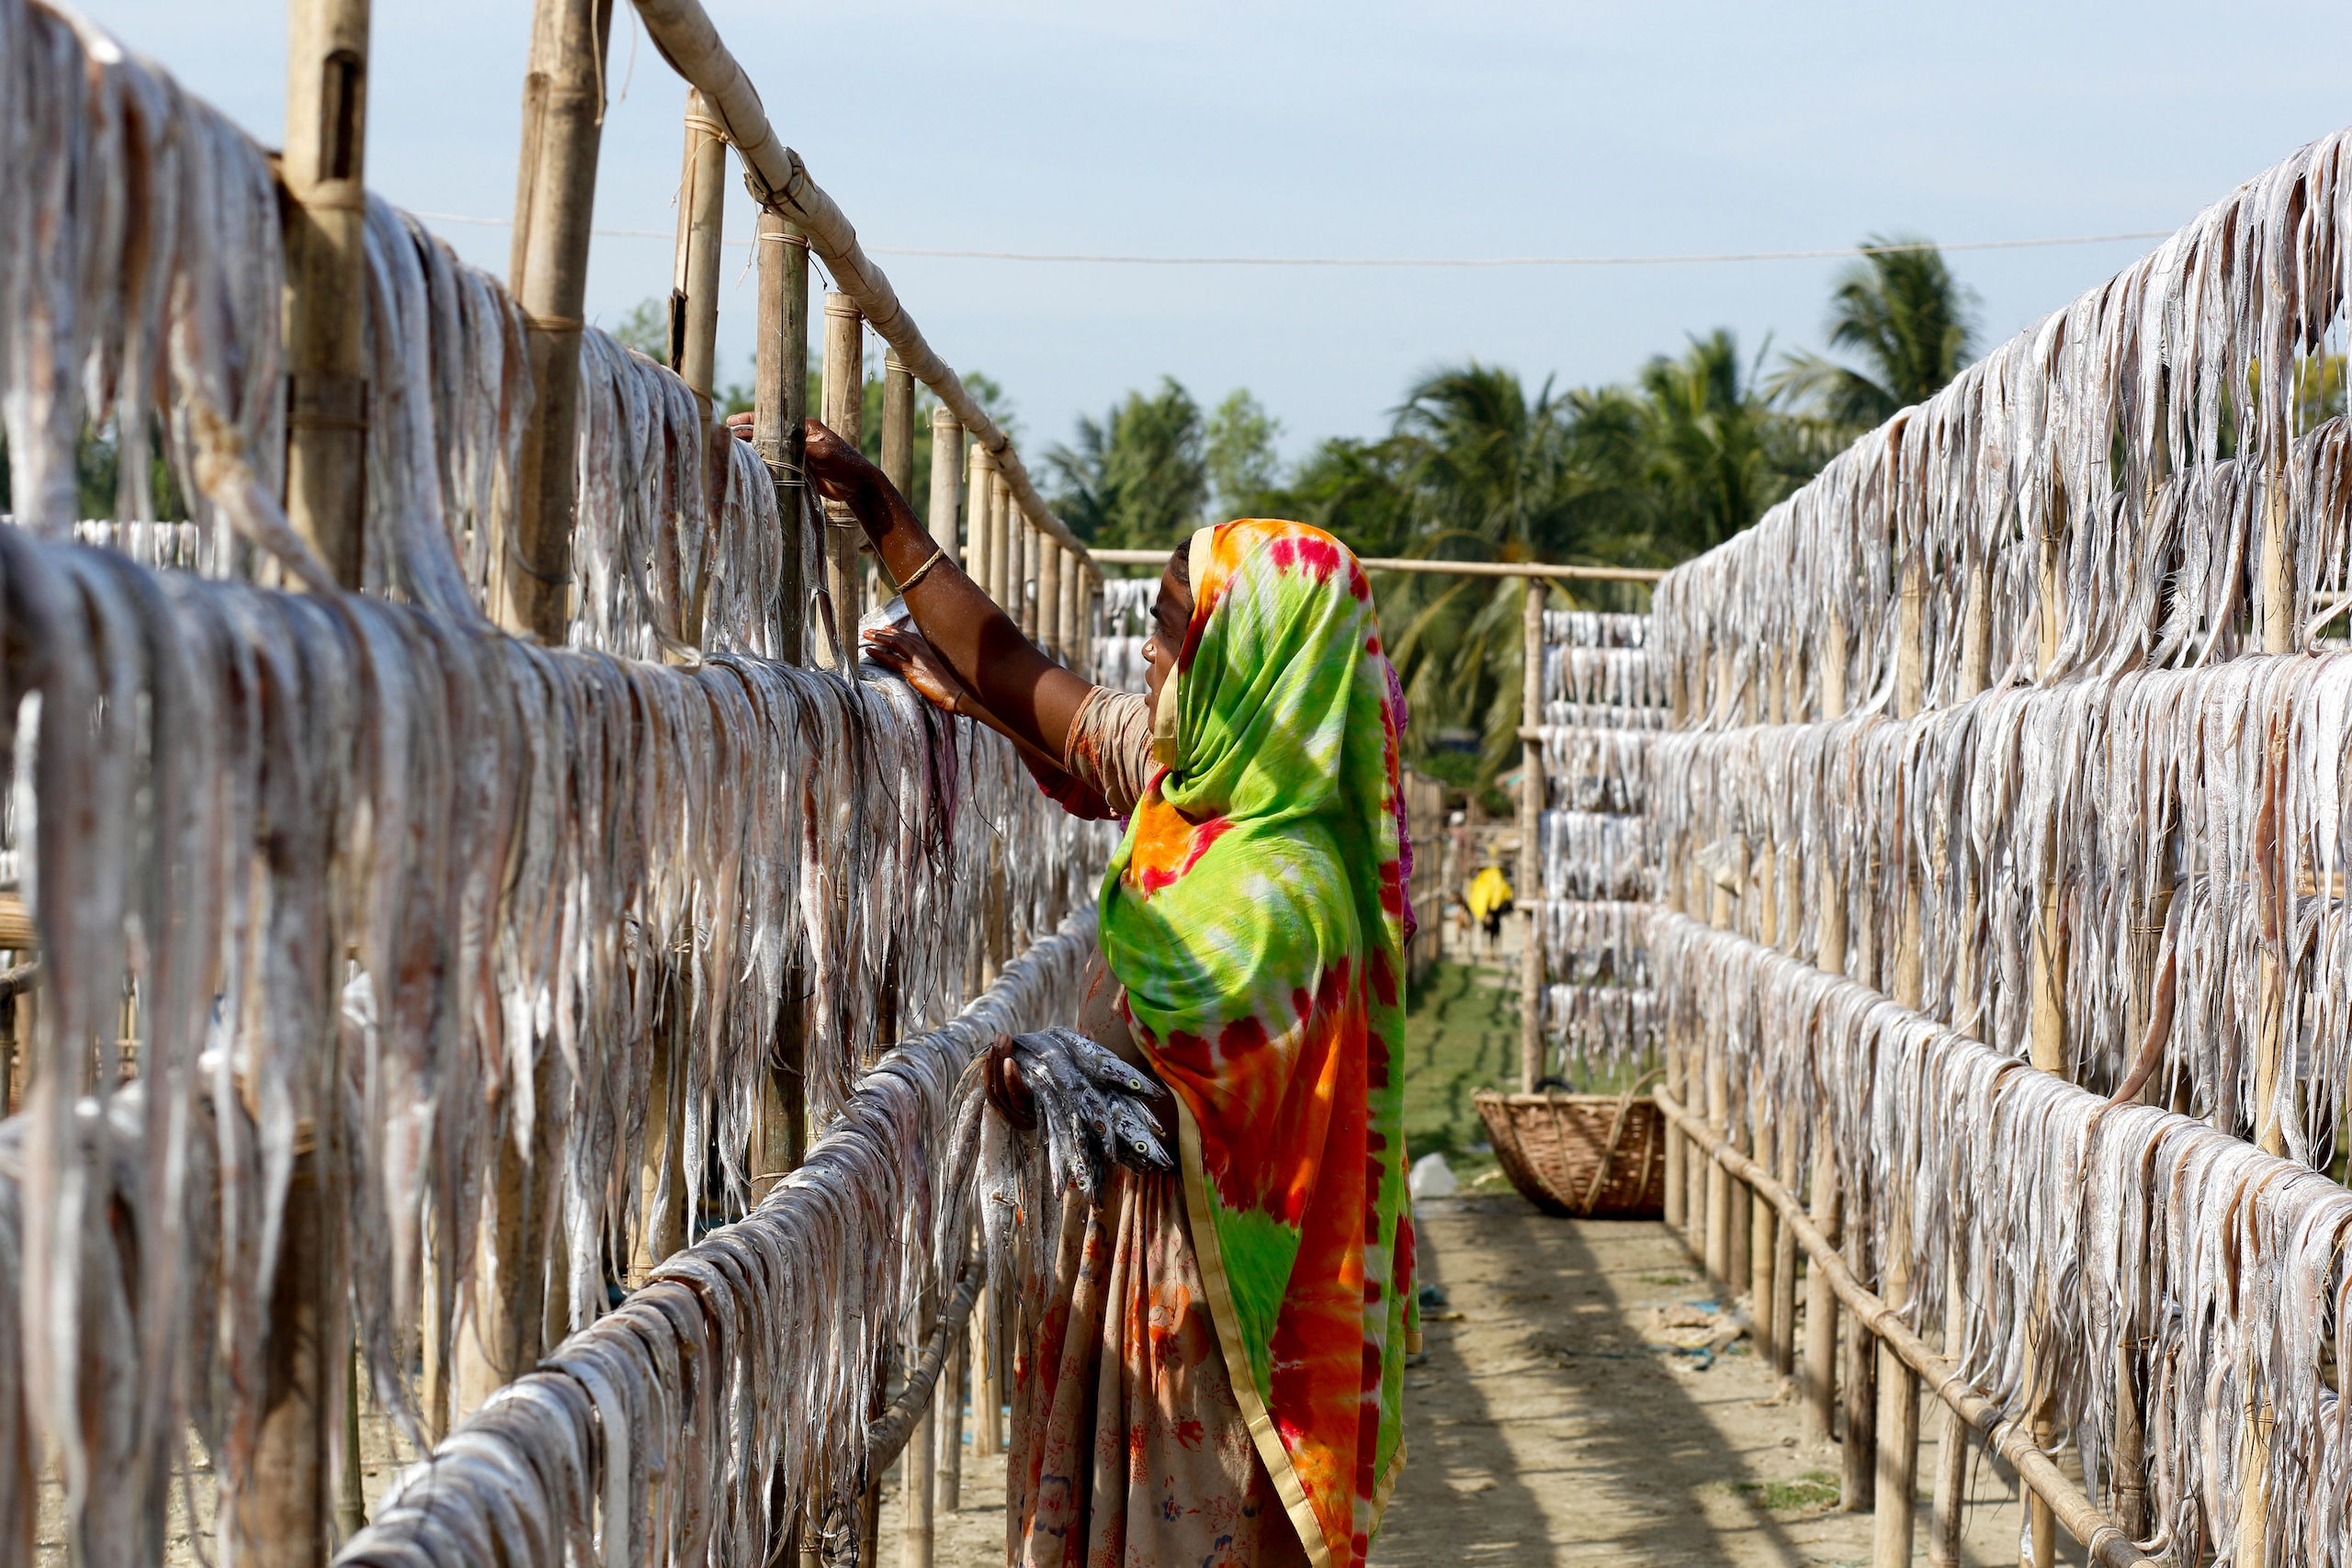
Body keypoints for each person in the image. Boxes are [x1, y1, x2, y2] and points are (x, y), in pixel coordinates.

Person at [786, 417, 1416, 1568]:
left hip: (1210, 1304)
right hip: (1131, 1260)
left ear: (1250, 661)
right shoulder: (1198, 784)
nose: (1147, 657)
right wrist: (881, 513)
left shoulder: (1286, 885)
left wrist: (1059, 1072)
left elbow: (1176, 1092)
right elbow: (1025, 673)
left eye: (1174, 634)